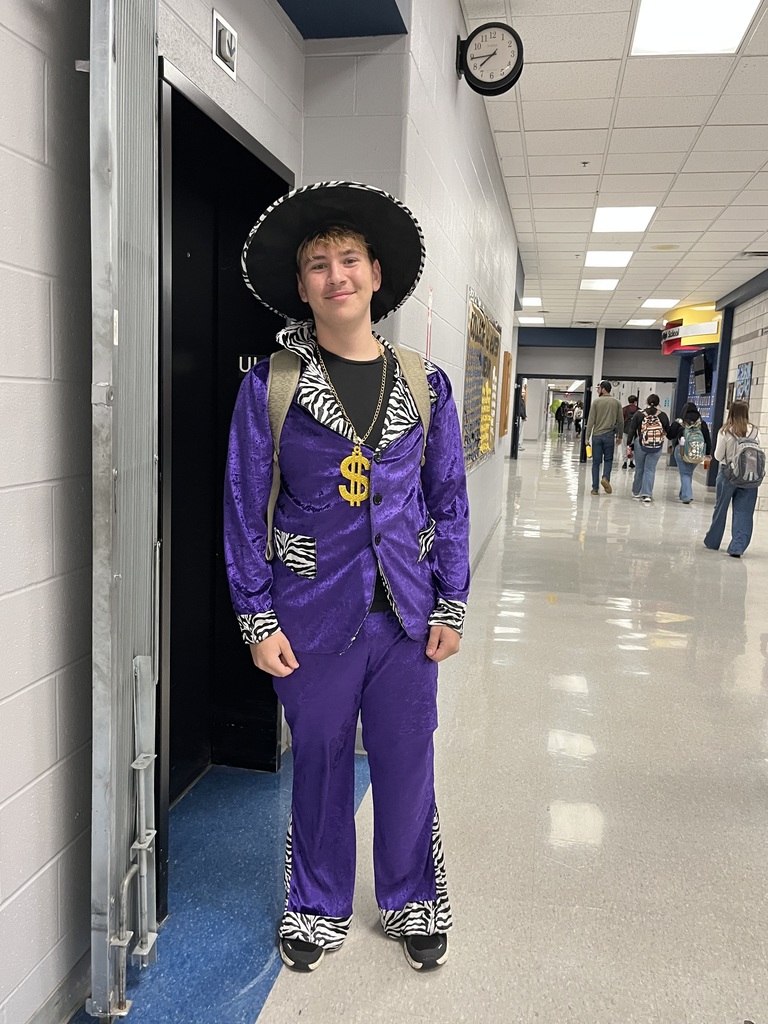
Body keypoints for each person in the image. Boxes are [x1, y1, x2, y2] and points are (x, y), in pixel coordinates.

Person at [224, 182, 470, 974]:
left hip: (407, 614)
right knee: (322, 764)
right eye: (319, 265)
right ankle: (316, 903)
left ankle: (411, 898)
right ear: (301, 287)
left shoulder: (426, 384)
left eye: (350, 260)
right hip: (311, 615)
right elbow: (241, 507)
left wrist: (453, 602)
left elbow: (447, 499)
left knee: (407, 761)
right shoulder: (270, 386)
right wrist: (258, 620)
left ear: (375, 274)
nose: (336, 276)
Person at [704, 399, 761, 557]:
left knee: (721, 508)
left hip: (728, 474)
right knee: (744, 511)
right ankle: (737, 547)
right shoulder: (755, 431)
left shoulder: (725, 431)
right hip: (750, 476)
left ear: (731, 412)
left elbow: (717, 456)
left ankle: (713, 541)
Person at [626, 394, 670, 503]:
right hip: (656, 445)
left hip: (641, 443)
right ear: (658, 403)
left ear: (646, 402)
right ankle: (647, 494)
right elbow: (668, 431)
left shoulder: (639, 414)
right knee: (650, 470)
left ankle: (636, 492)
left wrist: (628, 445)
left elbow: (632, 430)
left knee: (639, 469)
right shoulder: (663, 415)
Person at [666, 401, 712, 504]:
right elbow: (707, 440)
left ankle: (687, 496)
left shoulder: (679, 422)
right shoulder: (702, 423)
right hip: (698, 451)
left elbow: (670, 435)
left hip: (681, 450)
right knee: (688, 473)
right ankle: (683, 494)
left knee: (685, 473)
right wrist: (708, 454)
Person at [585, 380, 624, 495]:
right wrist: (620, 436)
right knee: (608, 459)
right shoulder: (616, 403)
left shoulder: (596, 402)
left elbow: (591, 420)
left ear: (603, 389)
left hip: (597, 436)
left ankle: (595, 488)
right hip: (609, 436)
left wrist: (587, 436)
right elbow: (620, 421)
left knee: (596, 462)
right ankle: (605, 478)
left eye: (598, 388)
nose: (597, 390)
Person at [621, 394, 639, 469]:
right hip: (635, 431)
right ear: (635, 401)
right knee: (633, 446)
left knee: (624, 446)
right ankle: (631, 461)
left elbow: (621, 420)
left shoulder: (624, 409)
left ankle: (624, 462)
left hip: (625, 430)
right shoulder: (639, 410)